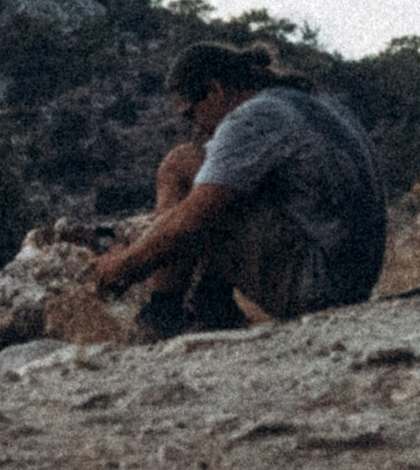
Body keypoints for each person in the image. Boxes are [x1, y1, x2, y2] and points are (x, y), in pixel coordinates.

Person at [91, 41, 386, 330]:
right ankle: (212, 300)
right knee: (232, 183)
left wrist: (121, 267)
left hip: (317, 286)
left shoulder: (250, 118)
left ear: (215, 90)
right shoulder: (313, 102)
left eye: (190, 112)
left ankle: (162, 313)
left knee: (180, 164)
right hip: (352, 279)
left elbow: (191, 220)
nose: (193, 127)